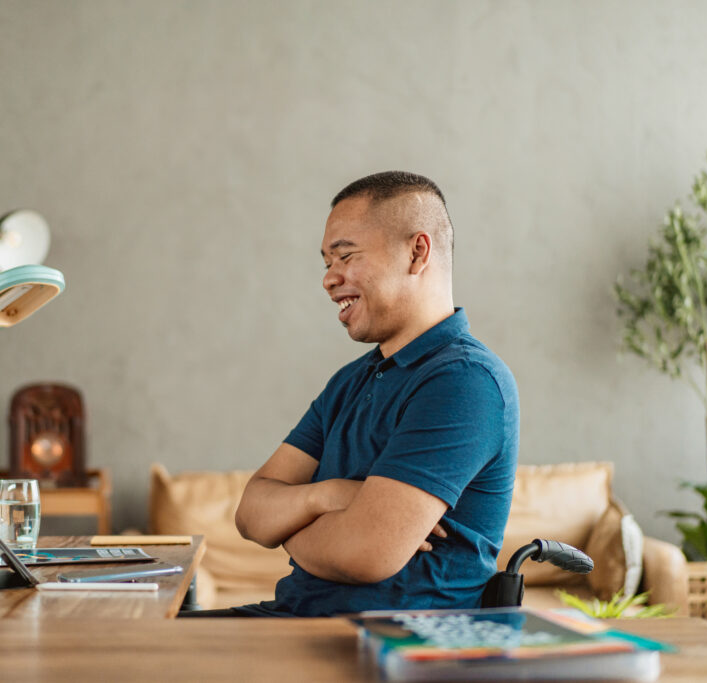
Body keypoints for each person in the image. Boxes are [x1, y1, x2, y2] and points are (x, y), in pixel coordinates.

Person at [182, 171, 519, 617]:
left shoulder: (464, 381)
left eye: (345, 257)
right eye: (326, 263)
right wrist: (326, 497)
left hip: (385, 646)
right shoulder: (351, 381)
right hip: (297, 624)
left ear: (417, 252)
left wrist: (289, 525)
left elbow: (365, 553)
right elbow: (251, 514)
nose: (329, 279)